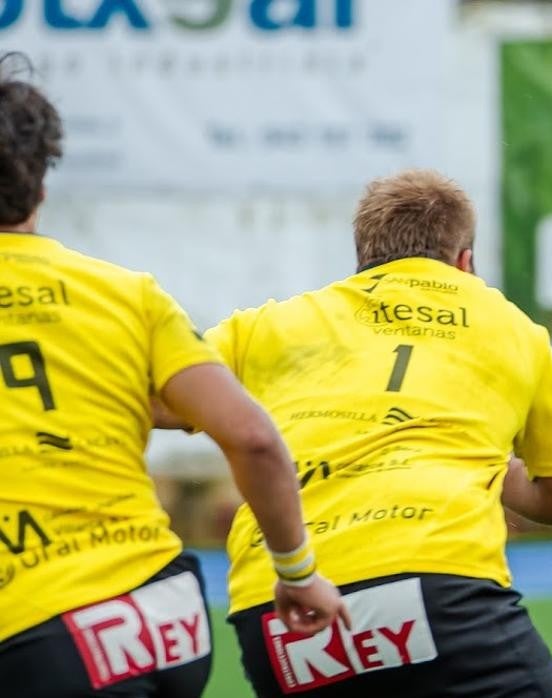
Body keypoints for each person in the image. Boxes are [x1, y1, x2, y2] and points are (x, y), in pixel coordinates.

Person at [0, 51, 345, 698]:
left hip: (34, 626)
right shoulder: (126, 294)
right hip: (165, 613)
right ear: (44, 183)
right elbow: (253, 437)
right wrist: (297, 572)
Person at [187, 168, 552, 697]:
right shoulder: (510, 325)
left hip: (279, 608)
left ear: (363, 259)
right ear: (465, 262)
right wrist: (464, 462)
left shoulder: (272, 324)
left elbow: (160, 399)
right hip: (436, 581)